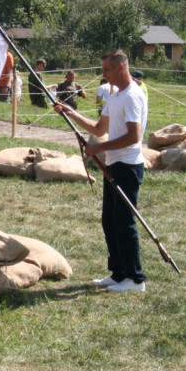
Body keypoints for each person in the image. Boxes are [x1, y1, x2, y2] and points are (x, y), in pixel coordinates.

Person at [55, 50, 148, 293]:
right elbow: (98, 128)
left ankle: (135, 279)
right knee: (110, 221)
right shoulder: (115, 96)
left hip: (128, 166)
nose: (103, 74)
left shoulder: (131, 96)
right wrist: (71, 112)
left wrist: (99, 149)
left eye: (106, 69)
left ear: (121, 67)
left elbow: (133, 136)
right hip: (113, 164)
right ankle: (118, 274)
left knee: (125, 223)